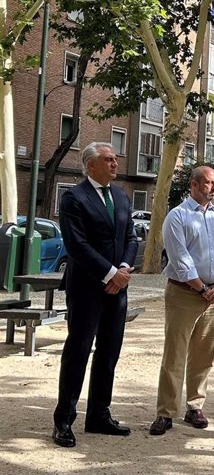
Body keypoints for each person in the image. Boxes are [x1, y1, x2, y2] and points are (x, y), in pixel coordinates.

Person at [52, 142, 138, 448]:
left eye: (115, 158)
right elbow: (77, 245)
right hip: (87, 288)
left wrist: (124, 269)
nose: (115, 163)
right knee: (78, 352)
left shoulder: (121, 195)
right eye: (108, 160)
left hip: (118, 289)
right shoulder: (74, 198)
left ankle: (99, 414)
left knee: (109, 353)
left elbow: (130, 236)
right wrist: (110, 273)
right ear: (91, 165)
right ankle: (64, 420)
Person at [149, 166, 214, 435]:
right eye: (208, 183)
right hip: (184, 294)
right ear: (194, 184)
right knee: (175, 353)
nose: (213, 187)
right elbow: (180, 259)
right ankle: (166, 412)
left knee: (204, 355)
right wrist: (202, 289)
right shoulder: (177, 217)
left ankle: (195, 406)